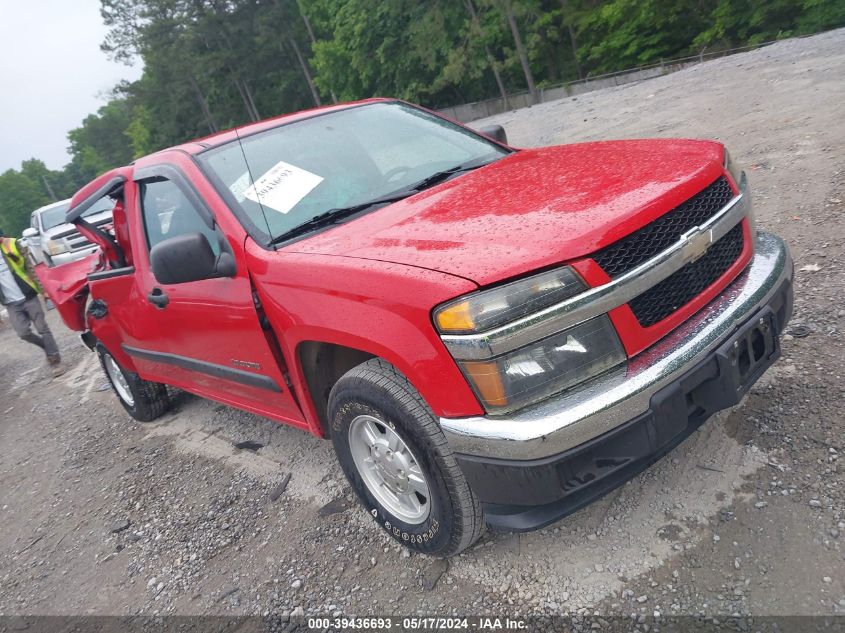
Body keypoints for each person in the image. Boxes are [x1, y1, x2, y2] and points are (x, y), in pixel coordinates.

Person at [0, 228, 63, 375]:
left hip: (28, 295)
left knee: (42, 328)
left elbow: (30, 268)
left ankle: (55, 360)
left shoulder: (13, 244)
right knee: (23, 333)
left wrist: (43, 290)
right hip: (11, 303)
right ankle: (47, 347)